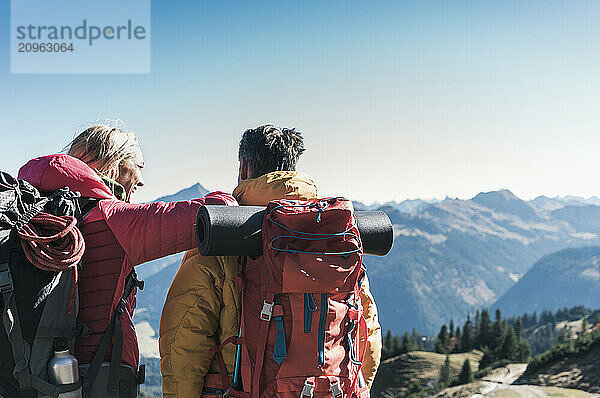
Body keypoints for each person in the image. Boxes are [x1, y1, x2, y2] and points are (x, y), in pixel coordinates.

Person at [159, 125, 382, 397]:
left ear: (244, 167)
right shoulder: (334, 236)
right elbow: (367, 333)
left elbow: (183, 341)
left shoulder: (224, 236)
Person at [17, 125, 236, 393]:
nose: (141, 180)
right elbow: (217, 213)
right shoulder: (113, 220)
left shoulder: (26, 213)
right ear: (113, 165)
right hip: (95, 379)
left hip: (25, 375)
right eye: (138, 166)